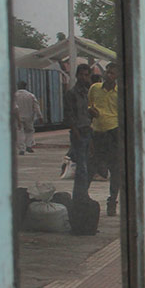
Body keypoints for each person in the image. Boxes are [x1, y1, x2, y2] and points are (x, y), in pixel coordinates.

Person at [88, 61, 123, 216]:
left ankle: (112, 200)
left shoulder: (120, 93)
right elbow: (88, 105)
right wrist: (91, 111)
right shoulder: (95, 88)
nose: (108, 75)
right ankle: (84, 198)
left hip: (113, 132)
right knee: (92, 166)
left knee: (115, 169)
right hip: (97, 132)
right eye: (107, 72)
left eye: (112, 73)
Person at [62, 64, 94, 201]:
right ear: (76, 76)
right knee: (82, 167)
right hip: (79, 133)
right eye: (82, 75)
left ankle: (82, 194)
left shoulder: (88, 93)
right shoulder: (71, 93)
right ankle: (80, 196)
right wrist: (76, 133)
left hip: (89, 131)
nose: (84, 77)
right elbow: (69, 115)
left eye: (86, 75)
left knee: (88, 165)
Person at [13, 80, 43, 155]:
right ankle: (29, 145)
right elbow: (36, 107)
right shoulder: (31, 95)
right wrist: (40, 116)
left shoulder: (14, 96)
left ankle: (21, 148)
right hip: (29, 117)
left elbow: (13, 107)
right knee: (29, 131)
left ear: (18, 86)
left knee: (19, 131)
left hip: (18, 116)